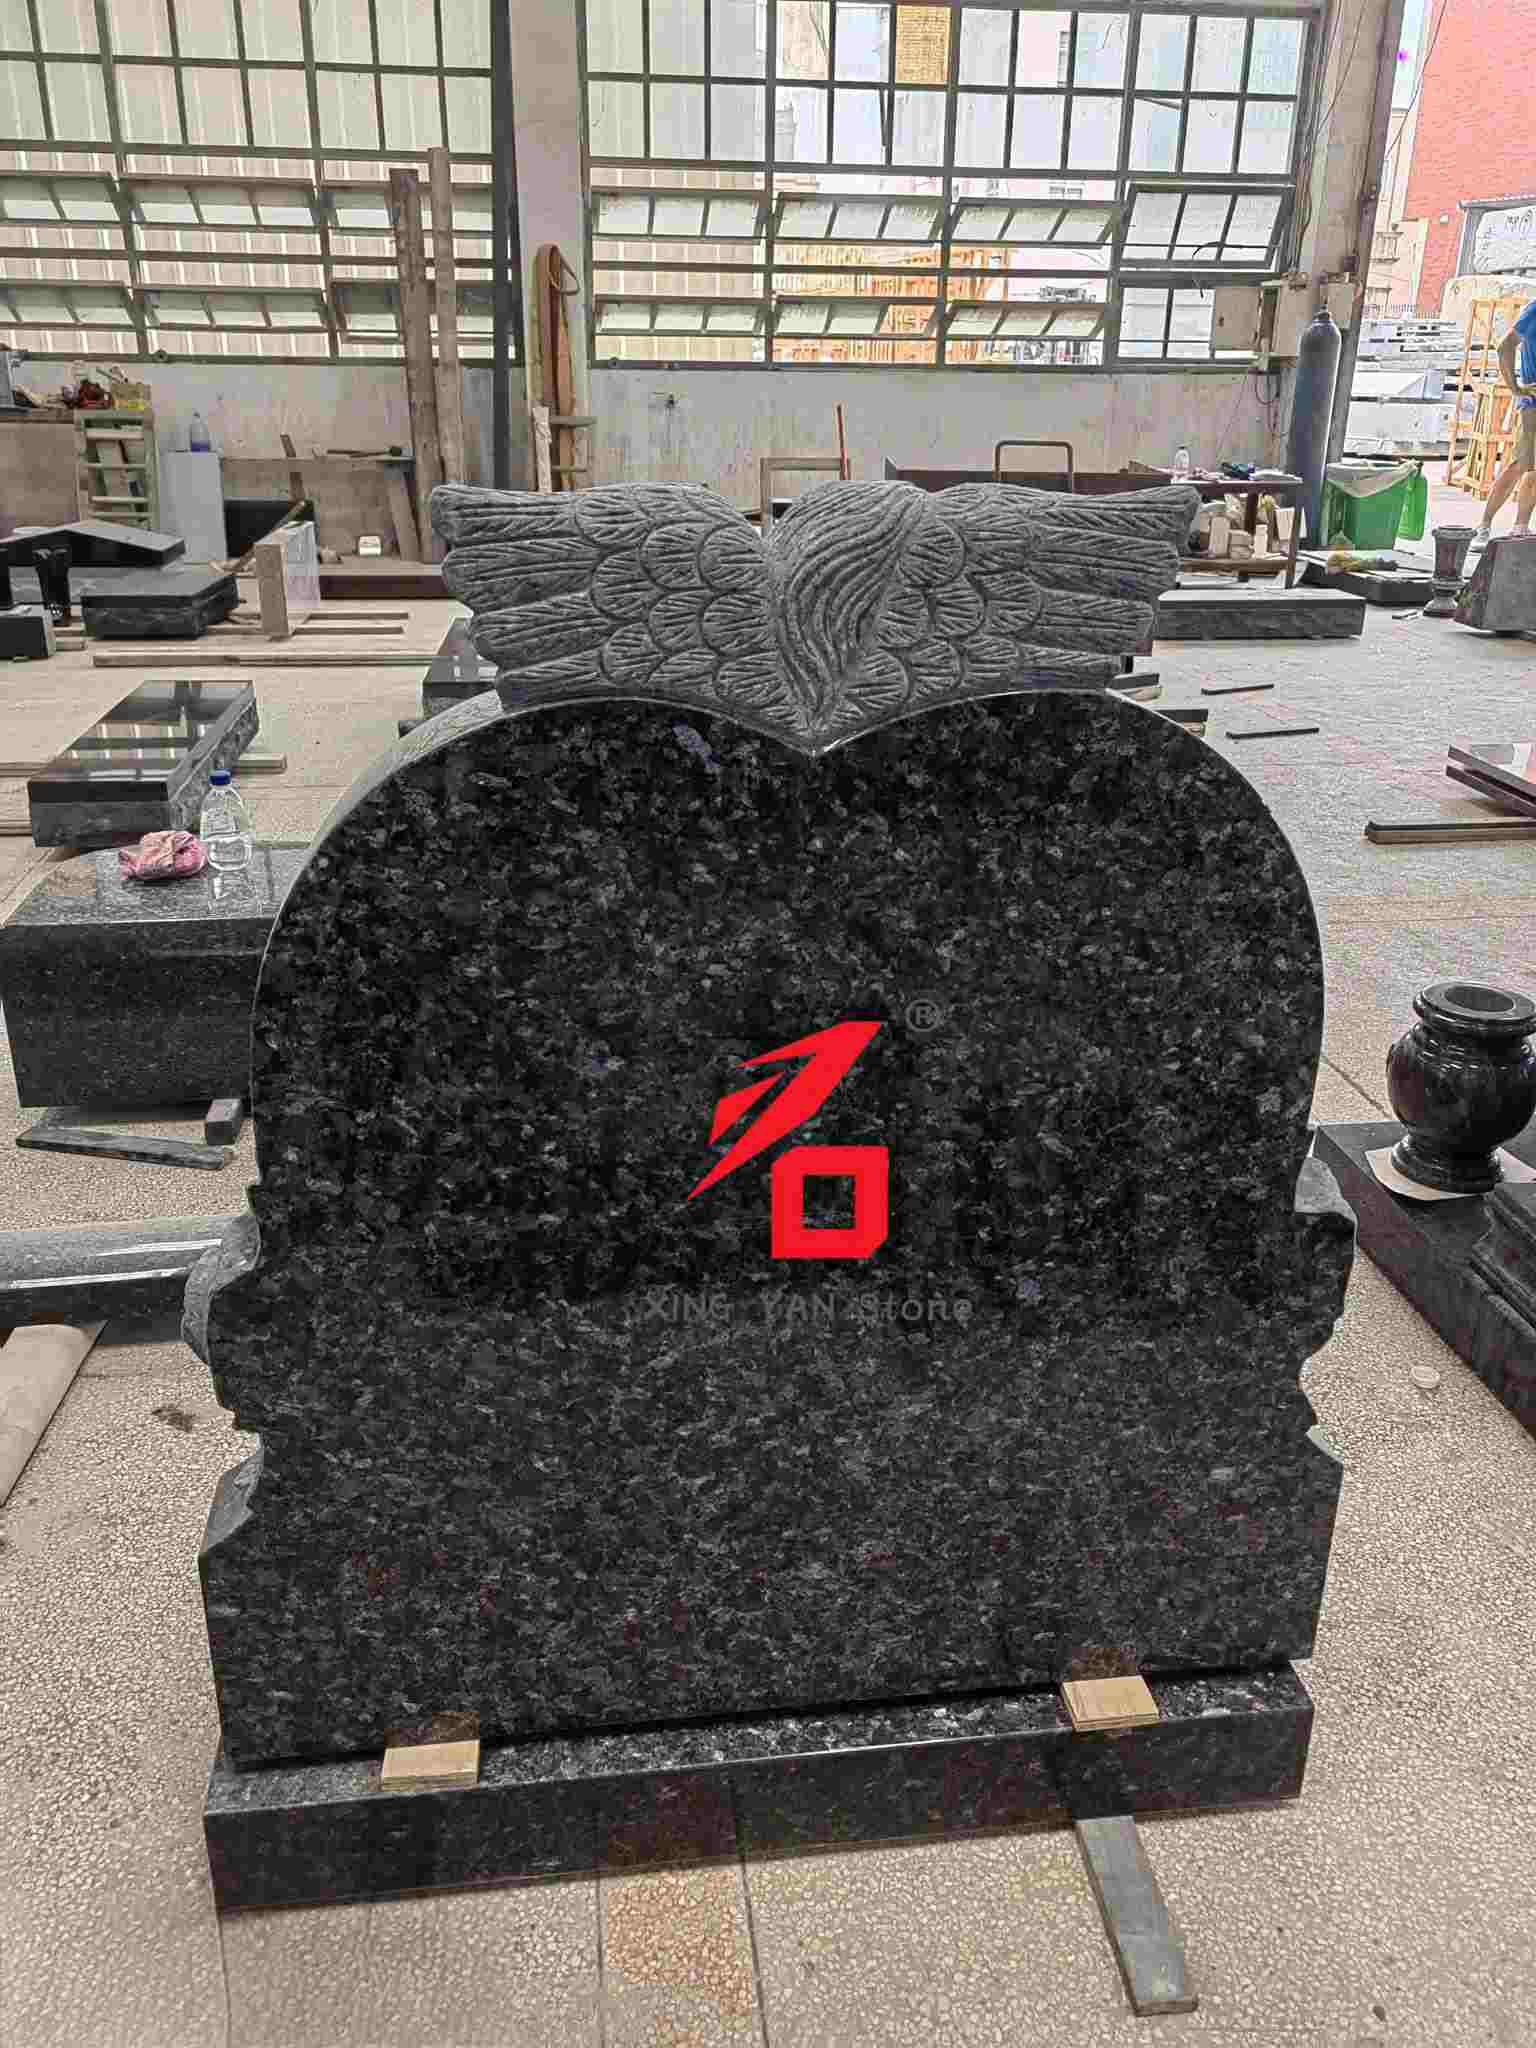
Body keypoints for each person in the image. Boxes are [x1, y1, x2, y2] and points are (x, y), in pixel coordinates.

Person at [1471, 296, 1536, 548]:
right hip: (1532, 403)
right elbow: (1505, 346)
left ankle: (1520, 528)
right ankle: (1485, 526)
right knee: (1521, 464)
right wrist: (1515, 388)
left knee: (1532, 467)